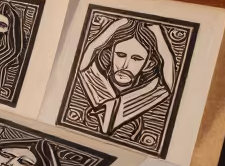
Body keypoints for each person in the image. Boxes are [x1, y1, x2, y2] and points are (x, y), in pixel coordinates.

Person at [71, 15, 174, 145]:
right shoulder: (94, 80)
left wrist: (158, 33)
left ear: (148, 64)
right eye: (120, 55)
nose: (125, 65)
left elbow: (169, 83)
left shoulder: (151, 92)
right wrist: (116, 25)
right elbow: (90, 52)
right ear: (110, 55)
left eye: (136, 59)